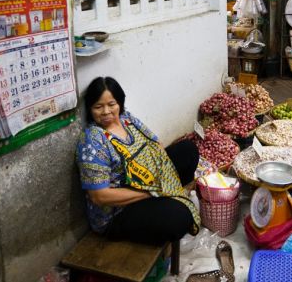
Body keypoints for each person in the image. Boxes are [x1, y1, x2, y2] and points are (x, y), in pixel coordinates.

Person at [76, 76, 200, 245]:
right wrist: (150, 192)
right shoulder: (92, 140)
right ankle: (166, 208)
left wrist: (163, 179)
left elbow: (156, 145)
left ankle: (168, 201)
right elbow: (100, 196)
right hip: (119, 211)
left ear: (119, 103)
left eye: (111, 104)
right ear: (90, 109)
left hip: (148, 182)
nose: (106, 112)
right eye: (98, 107)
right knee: (180, 217)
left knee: (187, 150)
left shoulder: (127, 119)